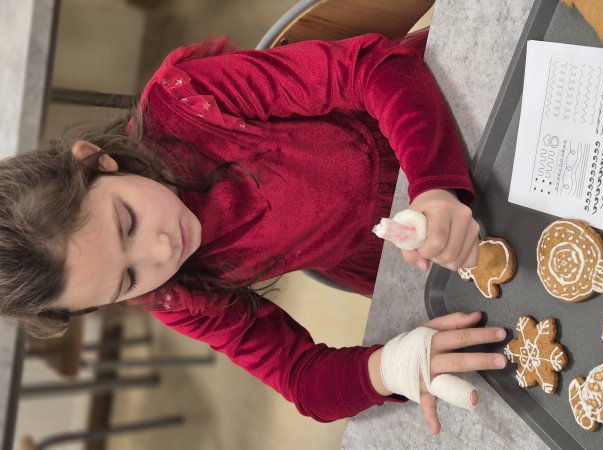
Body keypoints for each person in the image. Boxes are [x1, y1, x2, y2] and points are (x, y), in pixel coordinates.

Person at [0, 30, 507, 433]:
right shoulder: (176, 295)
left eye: (127, 222)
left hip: (437, 117)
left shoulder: (190, 106)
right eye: (129, 279)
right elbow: (301, 378)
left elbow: (372, 68)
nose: (161, 250)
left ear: (99, 161)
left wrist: (434, 187)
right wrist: (391, 367)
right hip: (408, 251)